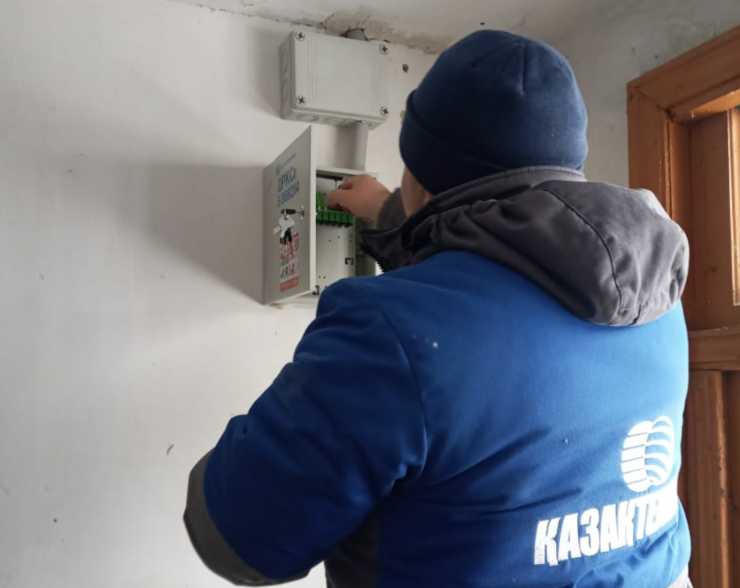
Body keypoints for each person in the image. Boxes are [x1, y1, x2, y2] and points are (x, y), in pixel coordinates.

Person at [184, 30, 691, 588]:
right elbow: (498, 299)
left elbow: (238, 541)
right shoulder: (657, 301)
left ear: (421, 178)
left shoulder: (386, 330)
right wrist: (397, 218)